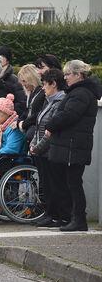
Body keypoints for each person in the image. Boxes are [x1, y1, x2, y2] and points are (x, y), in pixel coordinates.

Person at [45, 60, 102, 231]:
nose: (66, 78)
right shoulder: (80, 92)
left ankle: (78, 219)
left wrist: (50, 124)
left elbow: (68, 115)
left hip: (73, 145)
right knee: (71, 182)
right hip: (73, 144)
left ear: (78, 75)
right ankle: (75, 218)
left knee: (73, 183)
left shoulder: (81, 93)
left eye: (68, 74)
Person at [29, 69, 69, 228]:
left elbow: (50, 130)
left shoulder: (59, 102)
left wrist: (37, 147)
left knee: (54, 185)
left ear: (54, 84)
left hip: (49, 150)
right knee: (46, 184)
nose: (43, 88)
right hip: (40, 150)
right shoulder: (48, 101)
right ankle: (49, 213)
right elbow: (39, 125)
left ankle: (56, 215)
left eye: (45, 84)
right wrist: (33, 143)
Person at [0, 46, 27, 116]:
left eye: (2, 56)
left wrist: (8, 111)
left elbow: (21, 102)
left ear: (7, 60)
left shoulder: (13, 79)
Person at [17, 64, 45, 144]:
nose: (23, 85)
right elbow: (27, 111)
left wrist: (23, 124)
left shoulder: (41, 93)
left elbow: (38, 113)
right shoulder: (33, 93)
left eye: (24, 81)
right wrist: (19, 121)